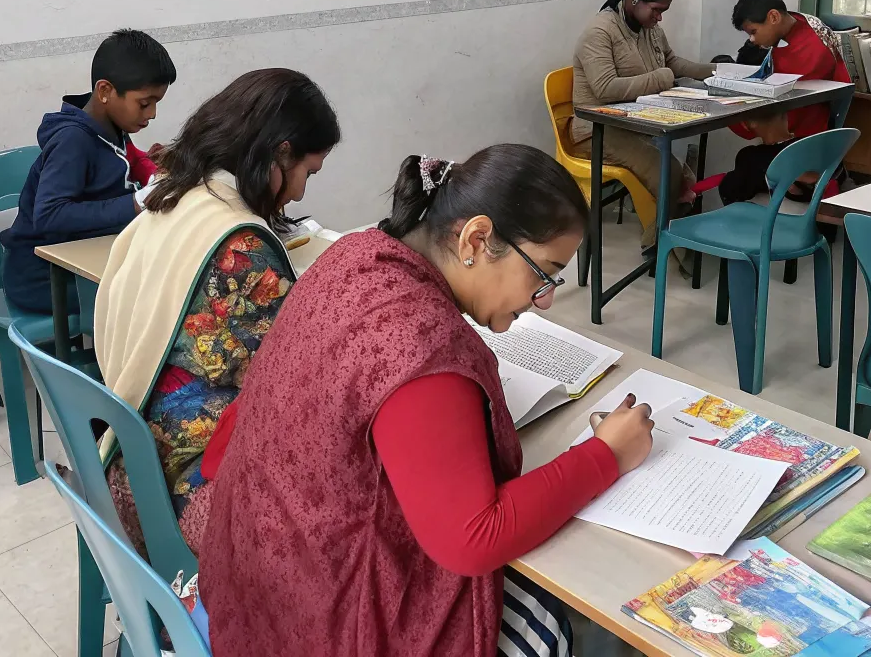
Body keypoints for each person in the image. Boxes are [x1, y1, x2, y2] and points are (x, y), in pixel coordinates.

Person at [199, 144, 656, 657]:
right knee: (554, 628)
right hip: (311, 620)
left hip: (261, 566)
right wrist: (606, 455)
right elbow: (471, 539)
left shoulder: (357, 253)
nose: (544, 298)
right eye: (544, 272)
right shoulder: (422, 342)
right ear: (477, 240)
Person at [94, 68, 340, 553]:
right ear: (281, 152)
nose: (300, 194)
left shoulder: (177, 194)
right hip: (176, 488)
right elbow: (304, 385)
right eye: (307, 173)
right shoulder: (242, 250)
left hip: (130, 456)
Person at [0, 29, 176, 313]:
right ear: (105, 91)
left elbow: (129, 157)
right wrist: (137, 202)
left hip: (85, 256)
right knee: (156, 299)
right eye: (145, 103)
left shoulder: (112, 124)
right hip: (43, 279)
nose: (152, 113)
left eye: (156, 103)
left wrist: (154, 175)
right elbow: (49, 215)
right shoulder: (73, 141)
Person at [572, 0, 715, 252]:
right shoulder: (600, 32)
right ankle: (663, 245)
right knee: (670, 173)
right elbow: (604, 88)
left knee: (685, 174)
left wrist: (718, 72)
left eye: (664, 11)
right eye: (656, 9)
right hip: (596, 129)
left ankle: (666, 235)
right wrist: (662, 79)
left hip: (634, 123)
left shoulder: (650, 29)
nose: (659, 17)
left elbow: (674, 62)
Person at [720, 0, 850, 205]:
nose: (752, 39)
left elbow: (774, 125)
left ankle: (745, 228)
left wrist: (728, 103)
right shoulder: (802, 23)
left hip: (807, 140)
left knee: (738, 176)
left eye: (753, 31)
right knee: (747, 161)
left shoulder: (805, 57)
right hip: (825, 134)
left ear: (773, 17)